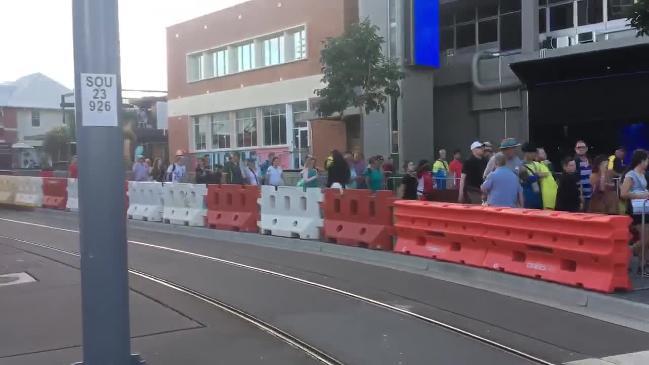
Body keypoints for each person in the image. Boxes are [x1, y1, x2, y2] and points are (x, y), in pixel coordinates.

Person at [620, 149, 649, 275]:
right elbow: (624, 193)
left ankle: (643, 265)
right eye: (647, 159)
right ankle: (626, 252)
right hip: (635, 209)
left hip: (645, 208)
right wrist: (642, 195)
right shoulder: (630, 175)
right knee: (645, 238)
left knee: (646, 238)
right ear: (641, 160)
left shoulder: (643, 173)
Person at [520, 143, 543, 209]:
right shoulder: (520, 165)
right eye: (532, 152)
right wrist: (537, 176)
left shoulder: (536, 164)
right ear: (526, 153)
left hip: (537, 197)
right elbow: (524, 179)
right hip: (527, 198)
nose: (534, 154)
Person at [575, 140, 593, 212]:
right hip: (580, 196)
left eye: (583, 147)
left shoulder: (590, 161)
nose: (581, 149)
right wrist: (580, 195)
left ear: (586, 149)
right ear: (575, 149)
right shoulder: (574, 162)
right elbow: (576, 180)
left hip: (591, 195)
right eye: (578, 147)